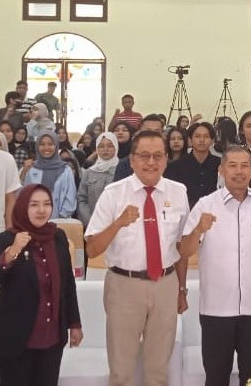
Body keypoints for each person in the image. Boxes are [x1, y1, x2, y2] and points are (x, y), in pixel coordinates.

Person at [83, 130, 190, 386]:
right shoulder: (114, 193)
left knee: (158, 371)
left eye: (157, 156)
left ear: (166, 159)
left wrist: (182, 289)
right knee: (122, 371)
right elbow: (91, 249)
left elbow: (180, 247)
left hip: (166, 285)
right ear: (131, 160)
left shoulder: (178, 192)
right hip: (124, 286)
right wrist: (118, 223)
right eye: (144, 156)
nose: (150, 162)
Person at [178, 146, 251, 386]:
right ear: (221, 170)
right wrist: (198, 229)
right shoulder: (205, 205)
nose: (239, 171)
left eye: (244, 166)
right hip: (216, 310)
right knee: (216, 376)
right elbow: (184, 252)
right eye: (232, 165)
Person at [0, 185, 83, 386]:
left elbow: (68, 284)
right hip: (16, 339)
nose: (41, 210)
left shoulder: (58, 237)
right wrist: (12, 251)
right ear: (22, 207)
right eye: (34, 204)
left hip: (51, 337)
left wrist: (74, 324)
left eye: (47, 204)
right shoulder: (7, 239)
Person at [165, 121, 222, 207]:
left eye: (206, 136)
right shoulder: (174, 167)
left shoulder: (221, 164)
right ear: (190, 140)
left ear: (212, 141)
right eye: (197, 136)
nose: (201, 140)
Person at [22, 133, 76, 219]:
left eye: (50, 144)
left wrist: (60, 218)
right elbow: (25, 196)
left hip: (60, 223)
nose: (46, 148)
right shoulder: (32, 169)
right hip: (34, 221)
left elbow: (70, 199)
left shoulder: (66, 170)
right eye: (42, 144)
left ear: (56, 146)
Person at [78, 132, 118, 225]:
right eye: (101, 146)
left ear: (116, 147)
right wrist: (91, 221)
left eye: (110, 146)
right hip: (92, 224)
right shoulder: (89, 172)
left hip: (115, 224)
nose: (105, 149)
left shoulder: (121, 170)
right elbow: (82, 199)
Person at [114, 115, 165, 181]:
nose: (152, 135)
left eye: (156, 132)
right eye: (147, 131)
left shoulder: (170, 165)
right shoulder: (125, 165)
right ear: (139, 133)